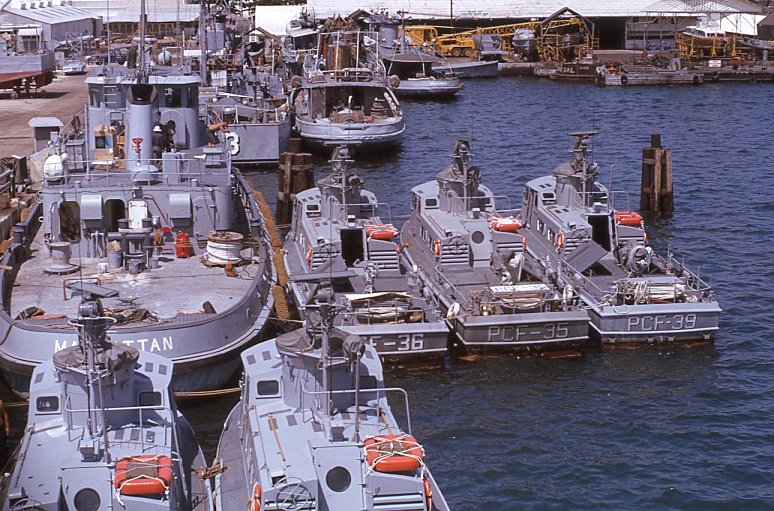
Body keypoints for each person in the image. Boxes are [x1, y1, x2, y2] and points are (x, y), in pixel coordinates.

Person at [0, 399, 9, 469]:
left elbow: (5, 414)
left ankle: (4, 466)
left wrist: (7, 427)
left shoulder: (0, 402)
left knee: (2, 447)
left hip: (1, 429)